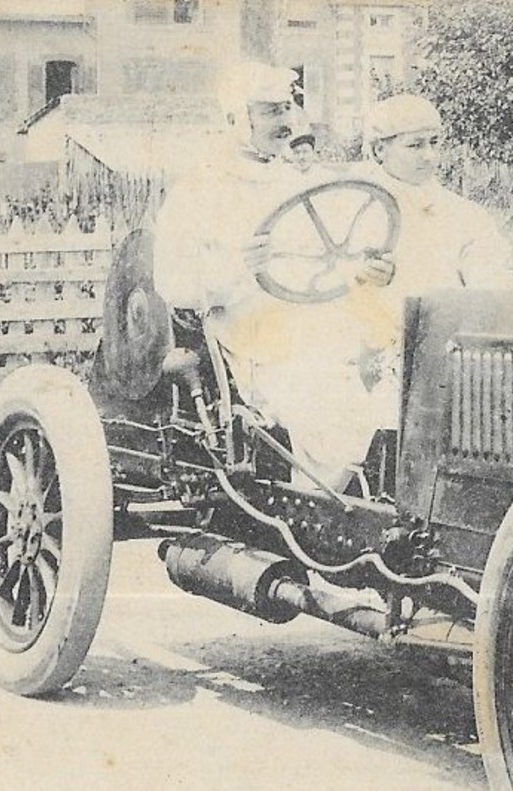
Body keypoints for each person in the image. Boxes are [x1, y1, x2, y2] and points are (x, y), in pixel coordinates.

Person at [153, 62, 380, 491]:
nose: (288, 122)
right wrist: (239, 267)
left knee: (391, 382)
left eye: (290, 108)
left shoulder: (295, 179)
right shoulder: (199, 189)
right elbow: (174, 283)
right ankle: (318, 508)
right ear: (238, 119)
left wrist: (363, 267)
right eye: (274, 112)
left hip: (317, 319)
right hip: (248, 335)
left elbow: (332, 254)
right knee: (326, 402)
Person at [344, 93, 512, 405]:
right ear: (380, 149)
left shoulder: (466, 215)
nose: (429, 156)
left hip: (446, 357)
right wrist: (356, 276)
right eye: (415, 145)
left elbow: (492, 289)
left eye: (434, 143)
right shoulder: (349, 207)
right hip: (362, 357)